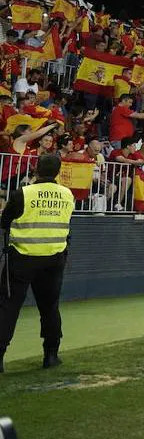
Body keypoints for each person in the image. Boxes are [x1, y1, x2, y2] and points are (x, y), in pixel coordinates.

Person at [0, 154, 75, 372]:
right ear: (58, 171)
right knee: (50, 307)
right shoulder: (67, 194)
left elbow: (5, 222)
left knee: (8, 306)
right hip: (54, 258)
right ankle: (51, 355)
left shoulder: (23, 193)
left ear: (36, 169)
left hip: (23, 258)